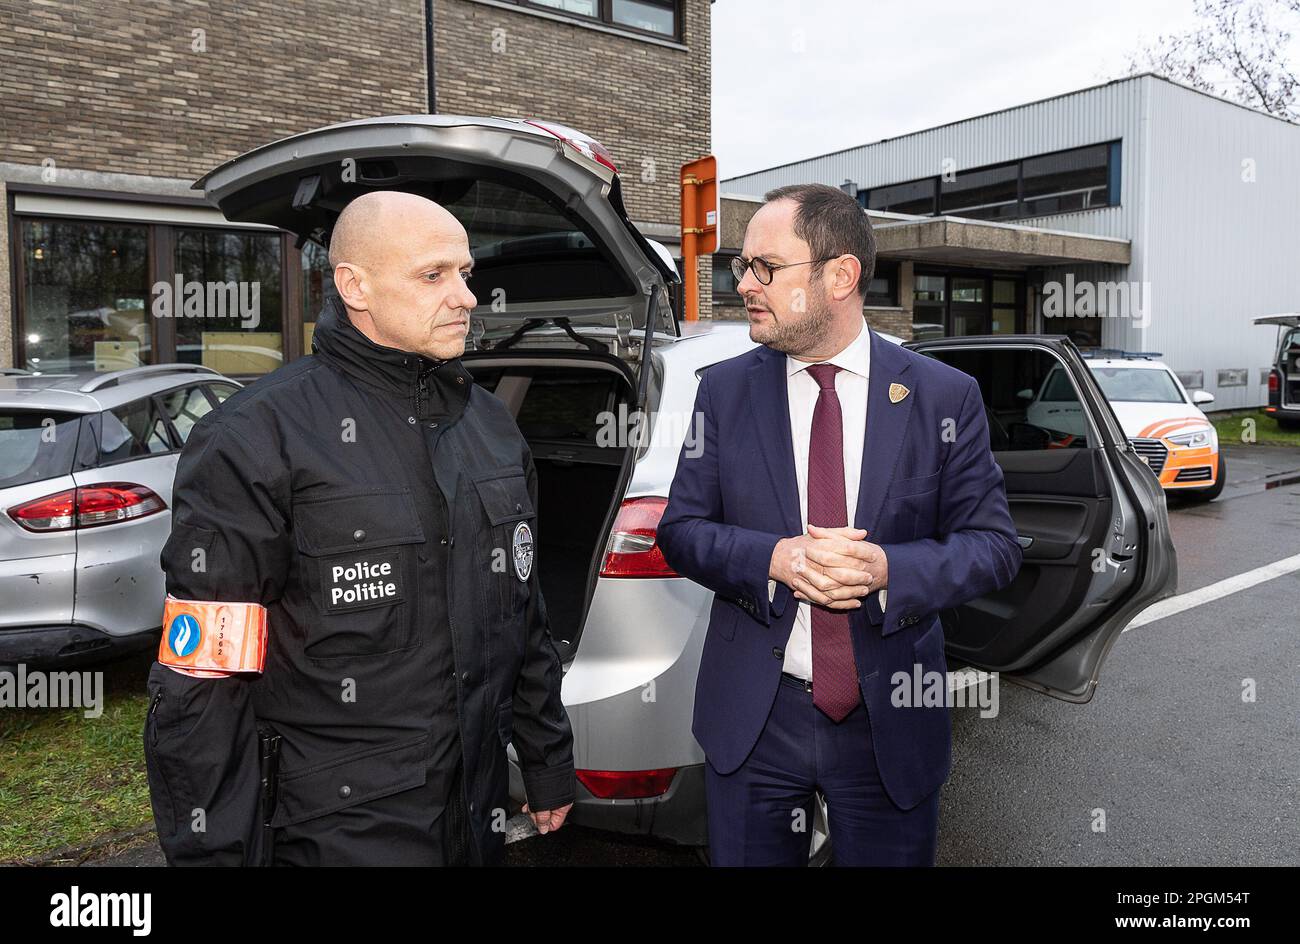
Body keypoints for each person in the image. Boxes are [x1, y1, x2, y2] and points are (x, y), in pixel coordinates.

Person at [143, 191, 574, 866]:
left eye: (465, 273)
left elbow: (523, 617)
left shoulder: (491, 428)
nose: (465, 297)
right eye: (434, 275)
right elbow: (203, 681)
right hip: (339, 834)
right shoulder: (255, 439)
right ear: (355, 286)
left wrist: (546, 759)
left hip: (477, 817)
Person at [656, 183, 1022, 866]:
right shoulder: (725, 391)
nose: (744, 284)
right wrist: (775, 559)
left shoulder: (943, 396)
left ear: (840, 275)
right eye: (742, 266)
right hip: (756, 721)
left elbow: (995, 547)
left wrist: (889, 570)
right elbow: (680, 530)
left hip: (889, 723)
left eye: (765, 266)